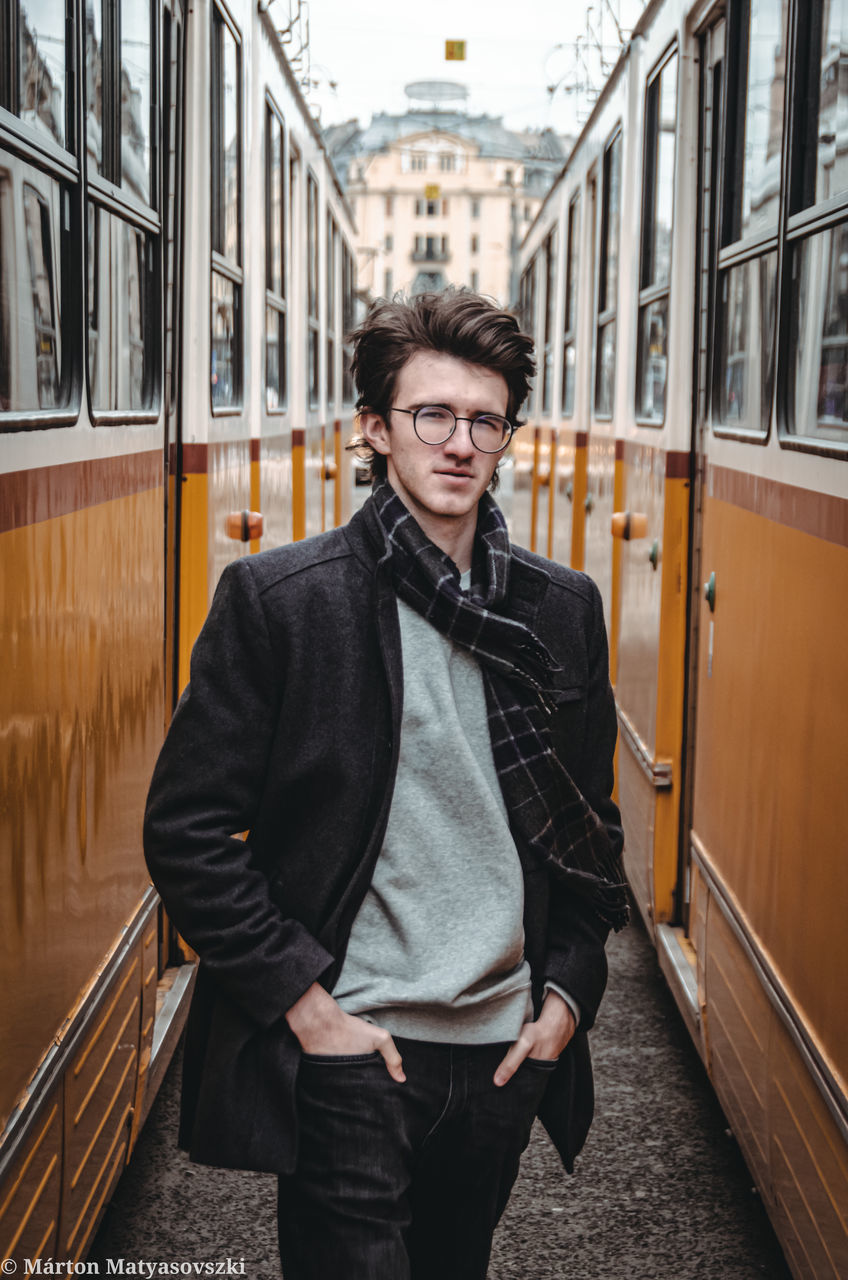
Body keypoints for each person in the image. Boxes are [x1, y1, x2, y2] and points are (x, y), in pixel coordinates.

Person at [143, 288, 629, 1280]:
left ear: (506, 438)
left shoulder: (560, 611)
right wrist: (307, 1005)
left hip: (502, 1051)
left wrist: (564, 1002)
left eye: (483, 419)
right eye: (430, 415)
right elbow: (187, 828)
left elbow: (590, 836)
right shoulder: (283, 604)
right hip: (355, 1050)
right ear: (375, 429)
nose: (458, 443)